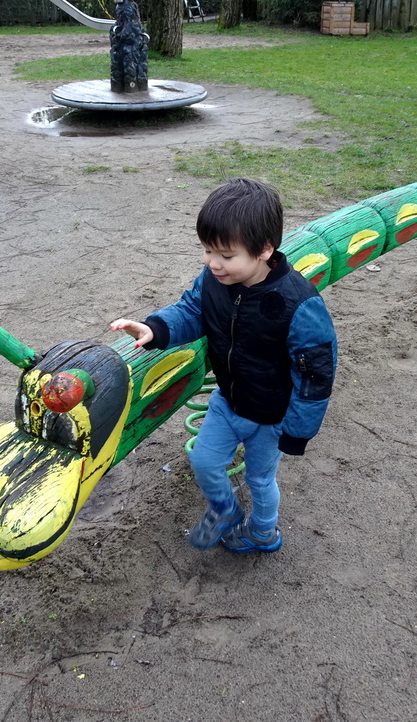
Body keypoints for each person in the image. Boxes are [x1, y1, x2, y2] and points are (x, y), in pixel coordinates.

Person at [110, 178, 337, 554]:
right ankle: (225, 509)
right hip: (228, 401)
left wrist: (297, 431)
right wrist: (155, 328)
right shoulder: (215, 280)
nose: (212, 262)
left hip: (271, 415)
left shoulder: (299, 305)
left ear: (264, 250)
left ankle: (263, 532)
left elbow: (315, 376)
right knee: (202, 458)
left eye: (226, 255)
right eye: (207, 250)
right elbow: (191, 309)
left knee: (260, 479)